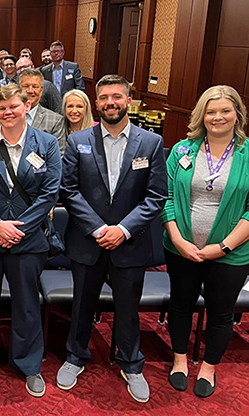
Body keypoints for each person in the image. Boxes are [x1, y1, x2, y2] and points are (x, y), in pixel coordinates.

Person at [58, 75, 167, 403]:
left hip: (130, 243)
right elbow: (69, 190)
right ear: (97, 101)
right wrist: (98, 229)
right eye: (104, 97)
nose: (110, 103)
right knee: (81, 306)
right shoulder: (79, 141)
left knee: (128, 309)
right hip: (87, 242)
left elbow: (156, 196)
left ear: (128, 100)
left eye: (117, 97)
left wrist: (122, 229)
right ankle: (75, 356)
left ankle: (132, 364)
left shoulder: (150, 143)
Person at [0, 84, 61, 397]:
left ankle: (29, 365)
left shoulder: (46, 143)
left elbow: (50, 194)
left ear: (27, 104)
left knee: (27, 305)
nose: (7, 112)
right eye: (1, 107)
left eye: (13, 106)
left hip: (28, 241)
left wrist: (19, 229)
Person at [163, 85, 249, 398]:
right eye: (211, 111)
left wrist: (223, 246)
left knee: (221, 312)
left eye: (225, 110)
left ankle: (209, 367)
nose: (217, 117)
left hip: (231, 253)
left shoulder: (248, 154)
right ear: (202, 115)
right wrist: (177, 238)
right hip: (181, 248)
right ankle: (180, 361)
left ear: (237, 114)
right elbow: (167, 197)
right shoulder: (182, 150)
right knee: (181, 304)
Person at [18, 69, 66, 153]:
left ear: (41, 90)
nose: (30, 91)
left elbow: (59, 156)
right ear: (18, 88)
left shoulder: (55, 121)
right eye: (26, 86)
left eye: (35, 87)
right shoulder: (6, 115)